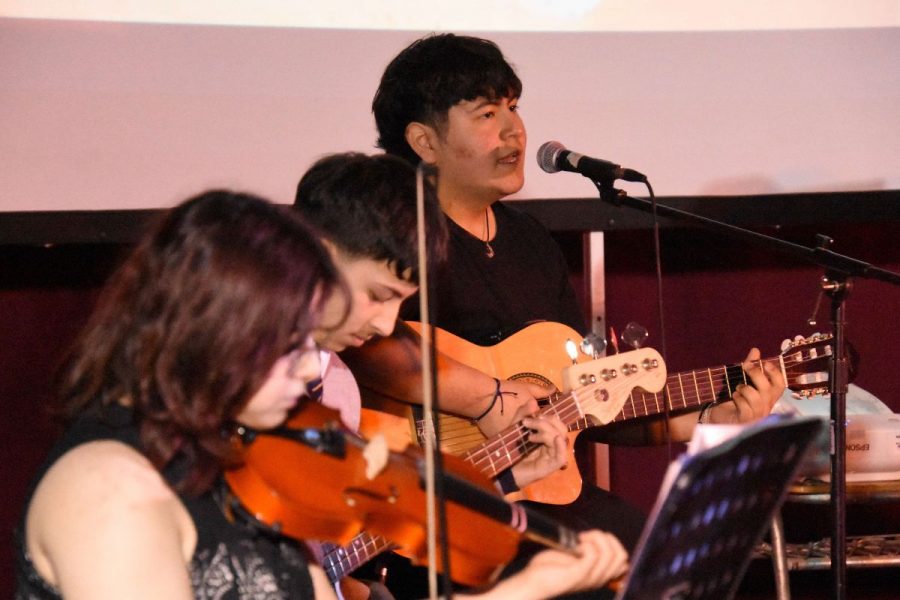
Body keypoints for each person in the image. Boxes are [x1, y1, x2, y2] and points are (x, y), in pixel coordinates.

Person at [14, 190, 627, 600]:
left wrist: (529, 582)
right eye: (290, 342)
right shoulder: (109, 489)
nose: (313, 364)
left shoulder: (244, 458)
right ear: (207, 334)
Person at [340, 31, 786, 584]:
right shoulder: (392, 233)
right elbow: (363, 344)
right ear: (424, 141)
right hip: (429, 500)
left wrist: (708, 418)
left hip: (537, 489)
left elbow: (584, 404)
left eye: (513, 107)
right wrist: (488, 398)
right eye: (485, 113)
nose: (514, 130)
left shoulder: (530, 242)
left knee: (664, 563)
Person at [295, 152, 603, 598]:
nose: (386, 326)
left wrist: (507, 478)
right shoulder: (235, 373)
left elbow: (328, 559)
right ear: (320, 255)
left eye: (401, 303)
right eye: (378, 295)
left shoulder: (338, 383)